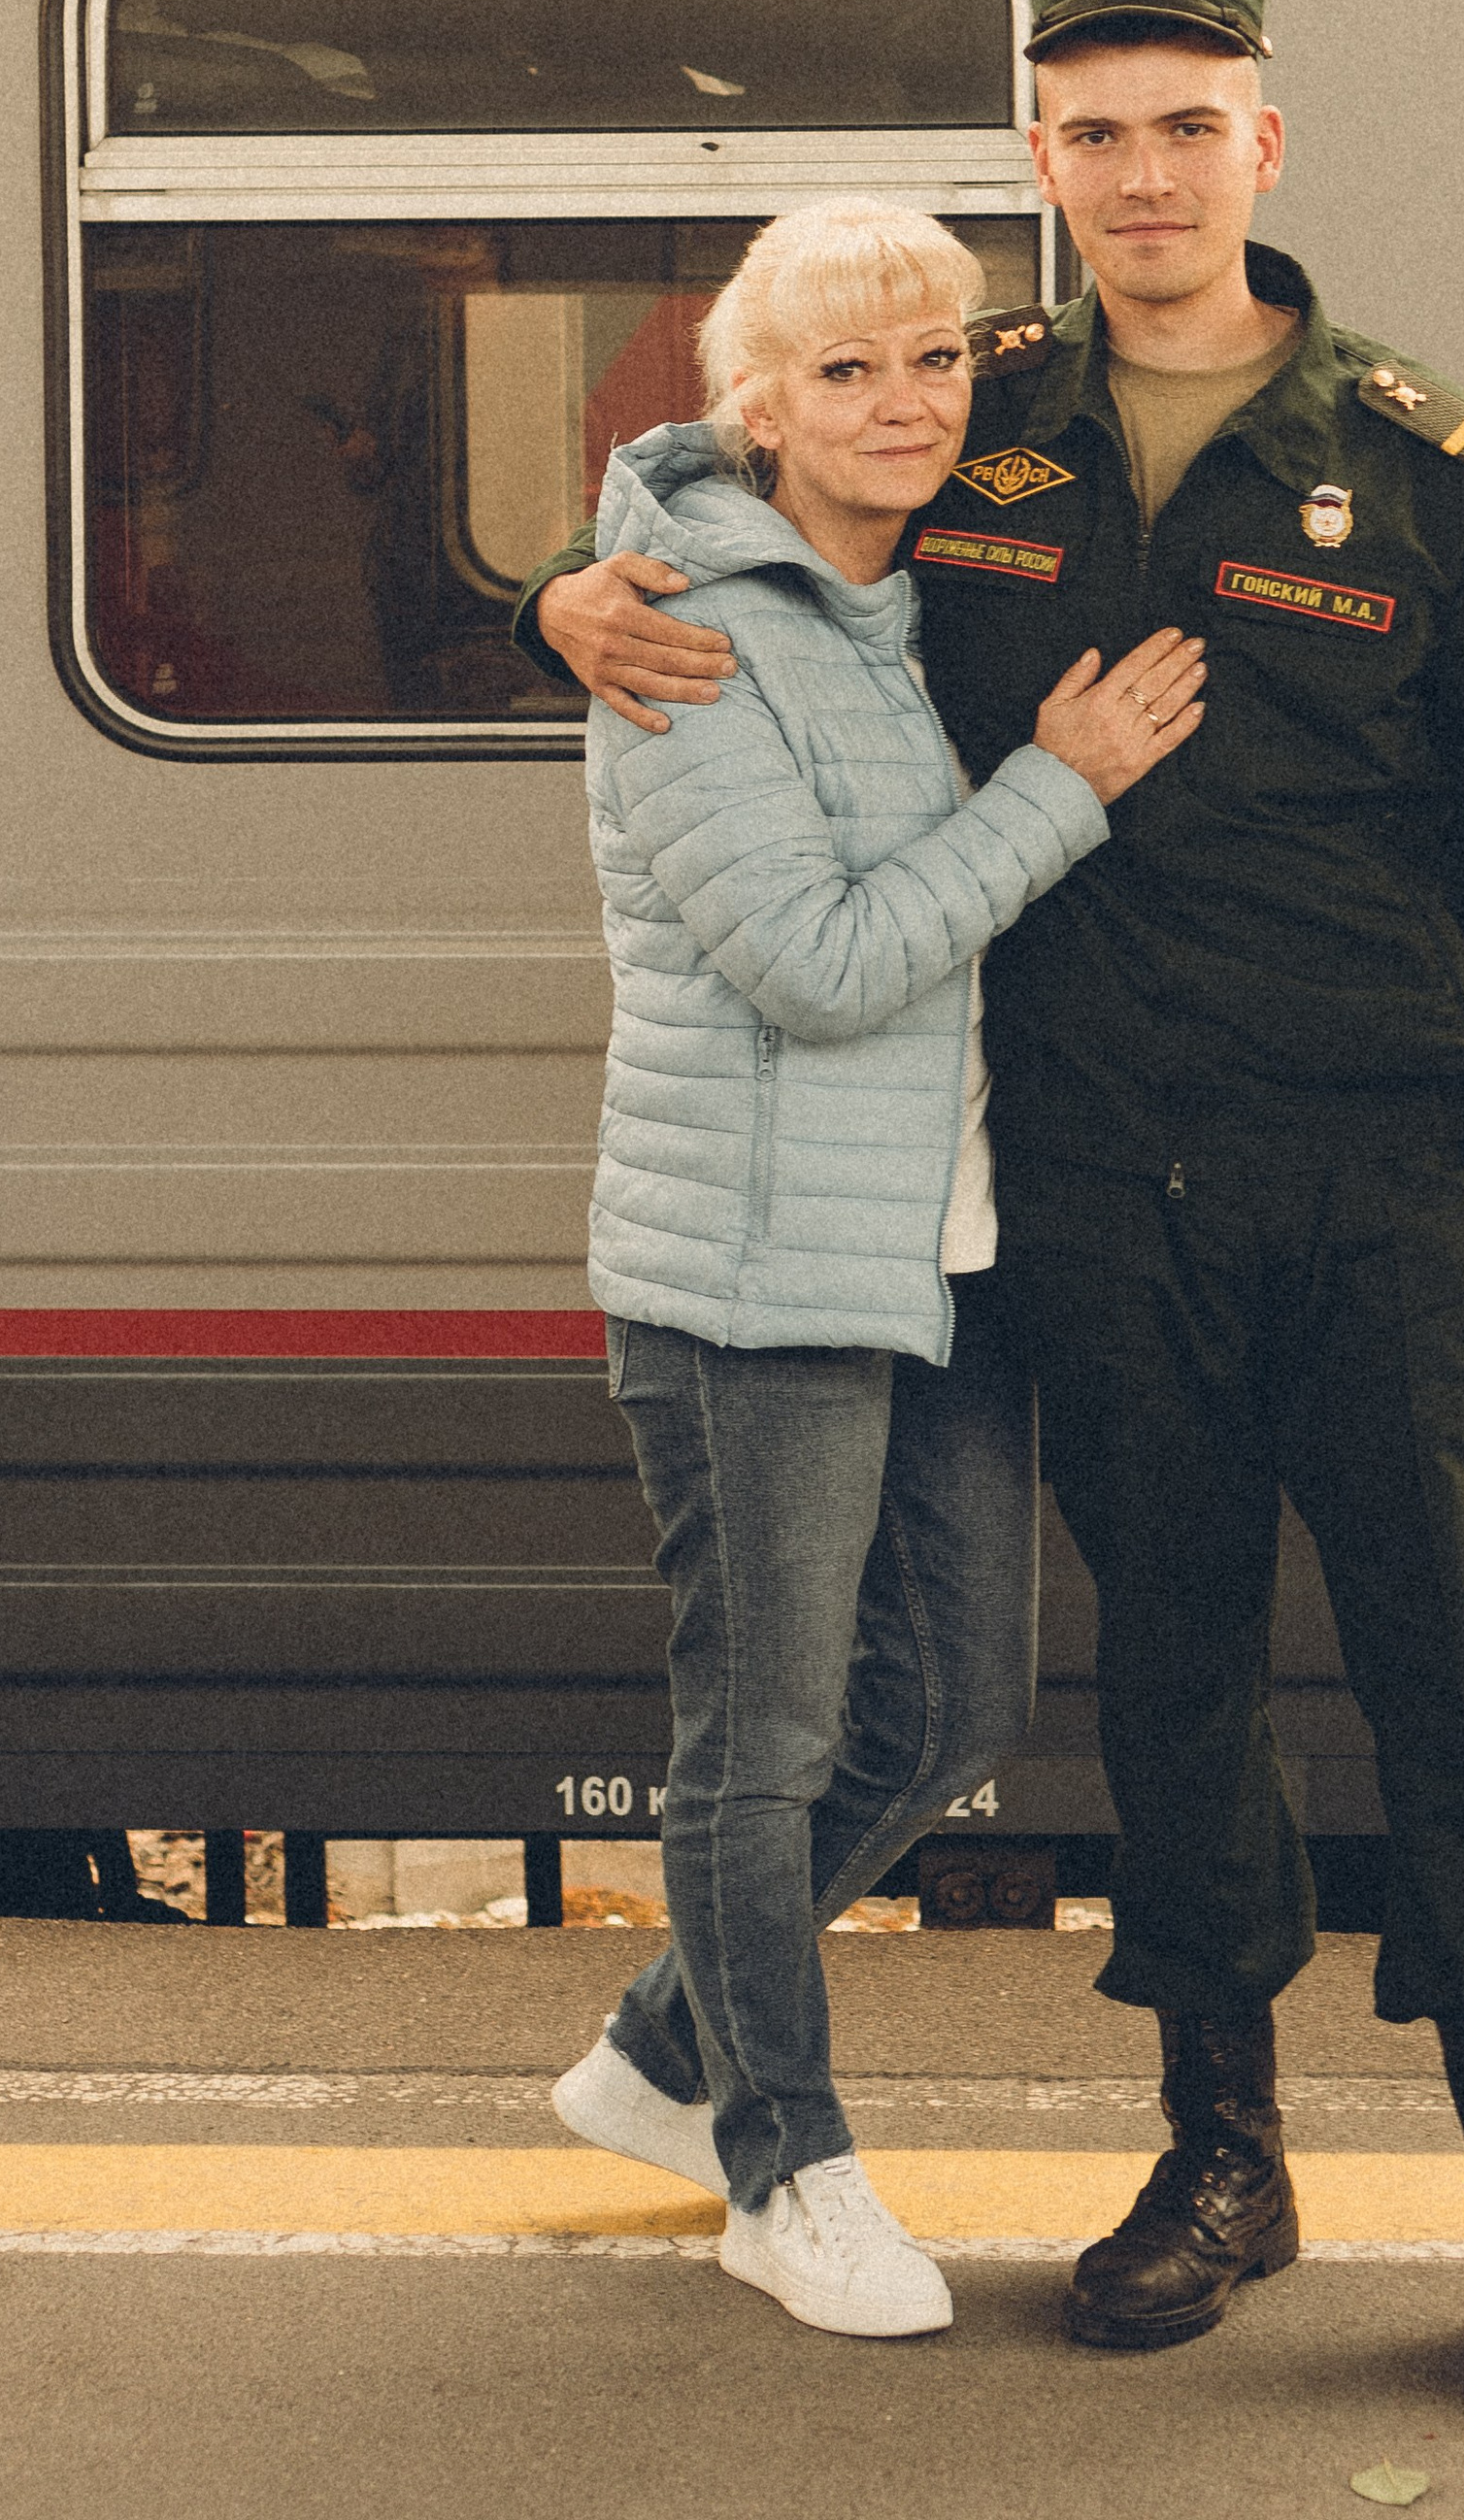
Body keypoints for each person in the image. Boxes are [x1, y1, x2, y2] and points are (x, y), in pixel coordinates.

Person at [522, 0, 1464, 2449]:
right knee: (1169, 1700)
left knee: (1461, 1690)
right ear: (1043, 157)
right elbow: (727, 487)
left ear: (1264, 137)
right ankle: (1221, 2162)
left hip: (1382, 1179)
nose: (1143, 171)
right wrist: (558, 596)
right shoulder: (976, 414)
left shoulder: (1428, 462)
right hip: (1094, 1199)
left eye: (1188, 120)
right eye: (1095, 127)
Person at [547, 194, 1204, 2343]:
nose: (903, 399)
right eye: (844, 370)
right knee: (762, 1737)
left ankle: (659, 2054)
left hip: (938, 1250)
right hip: (750, 1275)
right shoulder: (677, 637)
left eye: (931, 355)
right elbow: (818, 966)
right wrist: (1060, 787)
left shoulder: (920, 595)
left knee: (950, 1706)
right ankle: (780, 2168)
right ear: (753, 405)